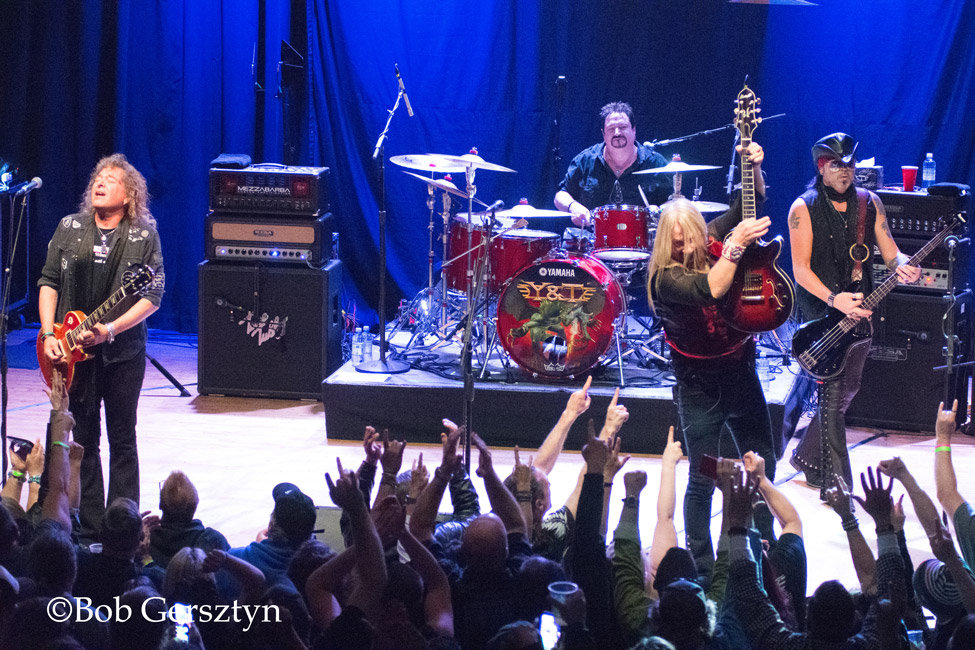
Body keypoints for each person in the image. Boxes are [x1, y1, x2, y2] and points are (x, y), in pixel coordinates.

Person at [645, 140, 776, 584]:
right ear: (666, 240)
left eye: (692, 236)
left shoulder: (711, 239)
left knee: (763, 464)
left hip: (739, 373)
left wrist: (752, 168)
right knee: (702, 478)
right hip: (698, 386)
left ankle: (764, 547)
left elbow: (744, 207)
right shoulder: (665, 278)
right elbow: (712, 289)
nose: (686, 245)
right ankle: (702, 568)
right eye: (678, 239)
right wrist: (735, 246)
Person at [38, 153, 165, 540]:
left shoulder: (143, 236)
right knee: (84, 438)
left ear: (128, 196)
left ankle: (123, 525)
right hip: (71, 353)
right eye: (98, 177)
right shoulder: (69, 227)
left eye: (111, 179)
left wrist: (110, 329)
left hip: (123, 354)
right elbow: (48, 281)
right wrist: (49, 334)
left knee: (122, 437)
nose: (101, 182)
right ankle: (91, 526)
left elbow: (152, 296)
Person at [788, 133, 920, 495]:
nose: (845, 171)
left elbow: (891, 252)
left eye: (849, 164)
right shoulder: (803, 208)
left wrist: (902, 264)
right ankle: (837, 485)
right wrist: (835, 300)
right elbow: (800, 270)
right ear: (821, 168)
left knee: (849, 388)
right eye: (836, 165)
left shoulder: (869, 203)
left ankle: (806, 458)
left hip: (860, 311)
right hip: (822, 315)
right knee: (832, 397)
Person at [555, 101, 670, 228]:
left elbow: (676, 201)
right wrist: (573, 206)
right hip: (592, 236)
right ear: (603, 134)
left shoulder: (655, 163)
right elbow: (561, 195)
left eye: (622, 127)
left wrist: (659, 210)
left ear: (634, 130)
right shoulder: (585, 160)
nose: (617, 133)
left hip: (642, 237)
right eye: (611, 129)